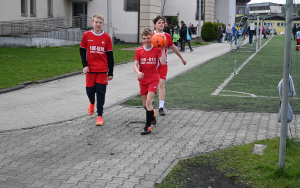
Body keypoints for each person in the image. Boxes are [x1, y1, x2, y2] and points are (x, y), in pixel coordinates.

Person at [79, 14, 114, 126]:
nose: (98, 24)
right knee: (90, 91)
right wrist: (85, 65)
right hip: (90, 70)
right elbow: (82, 51)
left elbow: (110, 56)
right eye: (96, 22)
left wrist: (110, 72)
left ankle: (99, 115)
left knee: (101, 93)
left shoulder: (107, 37)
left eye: (100, 22)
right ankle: (92, 102)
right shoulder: (86, 35)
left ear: (103, 24)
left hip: (102, 70)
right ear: (92, 23)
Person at [134, 28, 167, 135]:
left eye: (148, 38)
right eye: (144, 38)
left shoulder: (156, 49)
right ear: (142, 39)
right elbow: (135, 65)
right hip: (142, 79)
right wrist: (138, 72)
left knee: (149, 102)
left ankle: (147, 126)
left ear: (152, 38)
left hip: (153, 78)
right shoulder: (139, 50)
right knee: (145, 104)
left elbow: (162, 62)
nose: (147, 40)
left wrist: (162, 48)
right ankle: (152, 115)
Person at [153, 15, 187, 115]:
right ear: (155, 24)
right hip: (152, 64)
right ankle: (151, 99)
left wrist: (181, 58)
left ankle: (161, 107)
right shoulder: (151, 35)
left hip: (163, 64)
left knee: (161, 84)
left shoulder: (167, 36)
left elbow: (173, 47)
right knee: (153, 84)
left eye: (162, 22)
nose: (161, 24)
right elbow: (144, 49)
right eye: (159, 22)